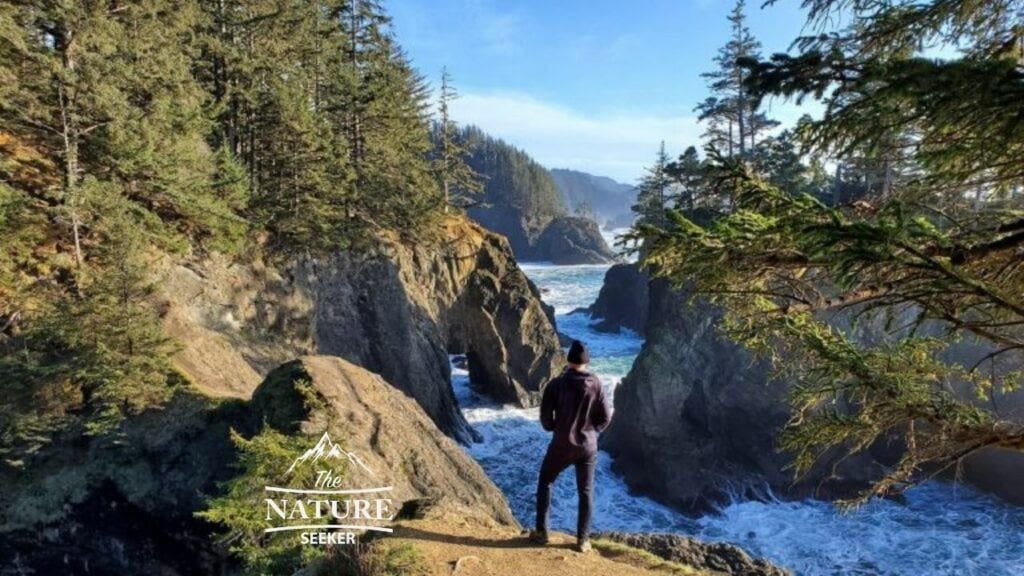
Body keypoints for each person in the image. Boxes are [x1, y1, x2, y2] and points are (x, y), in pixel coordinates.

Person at [529, 340, 612, 553]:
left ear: (568, 360)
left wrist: (557, 428)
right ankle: (582, 540)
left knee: (546, 482)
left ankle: (541, 532)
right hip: (588, 446)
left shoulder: (556, 385)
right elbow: (605, 418)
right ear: (587, 362)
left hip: (561, 444)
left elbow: (546, 420)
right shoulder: (596, 384)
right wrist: (592, 432)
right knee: (585, 492)